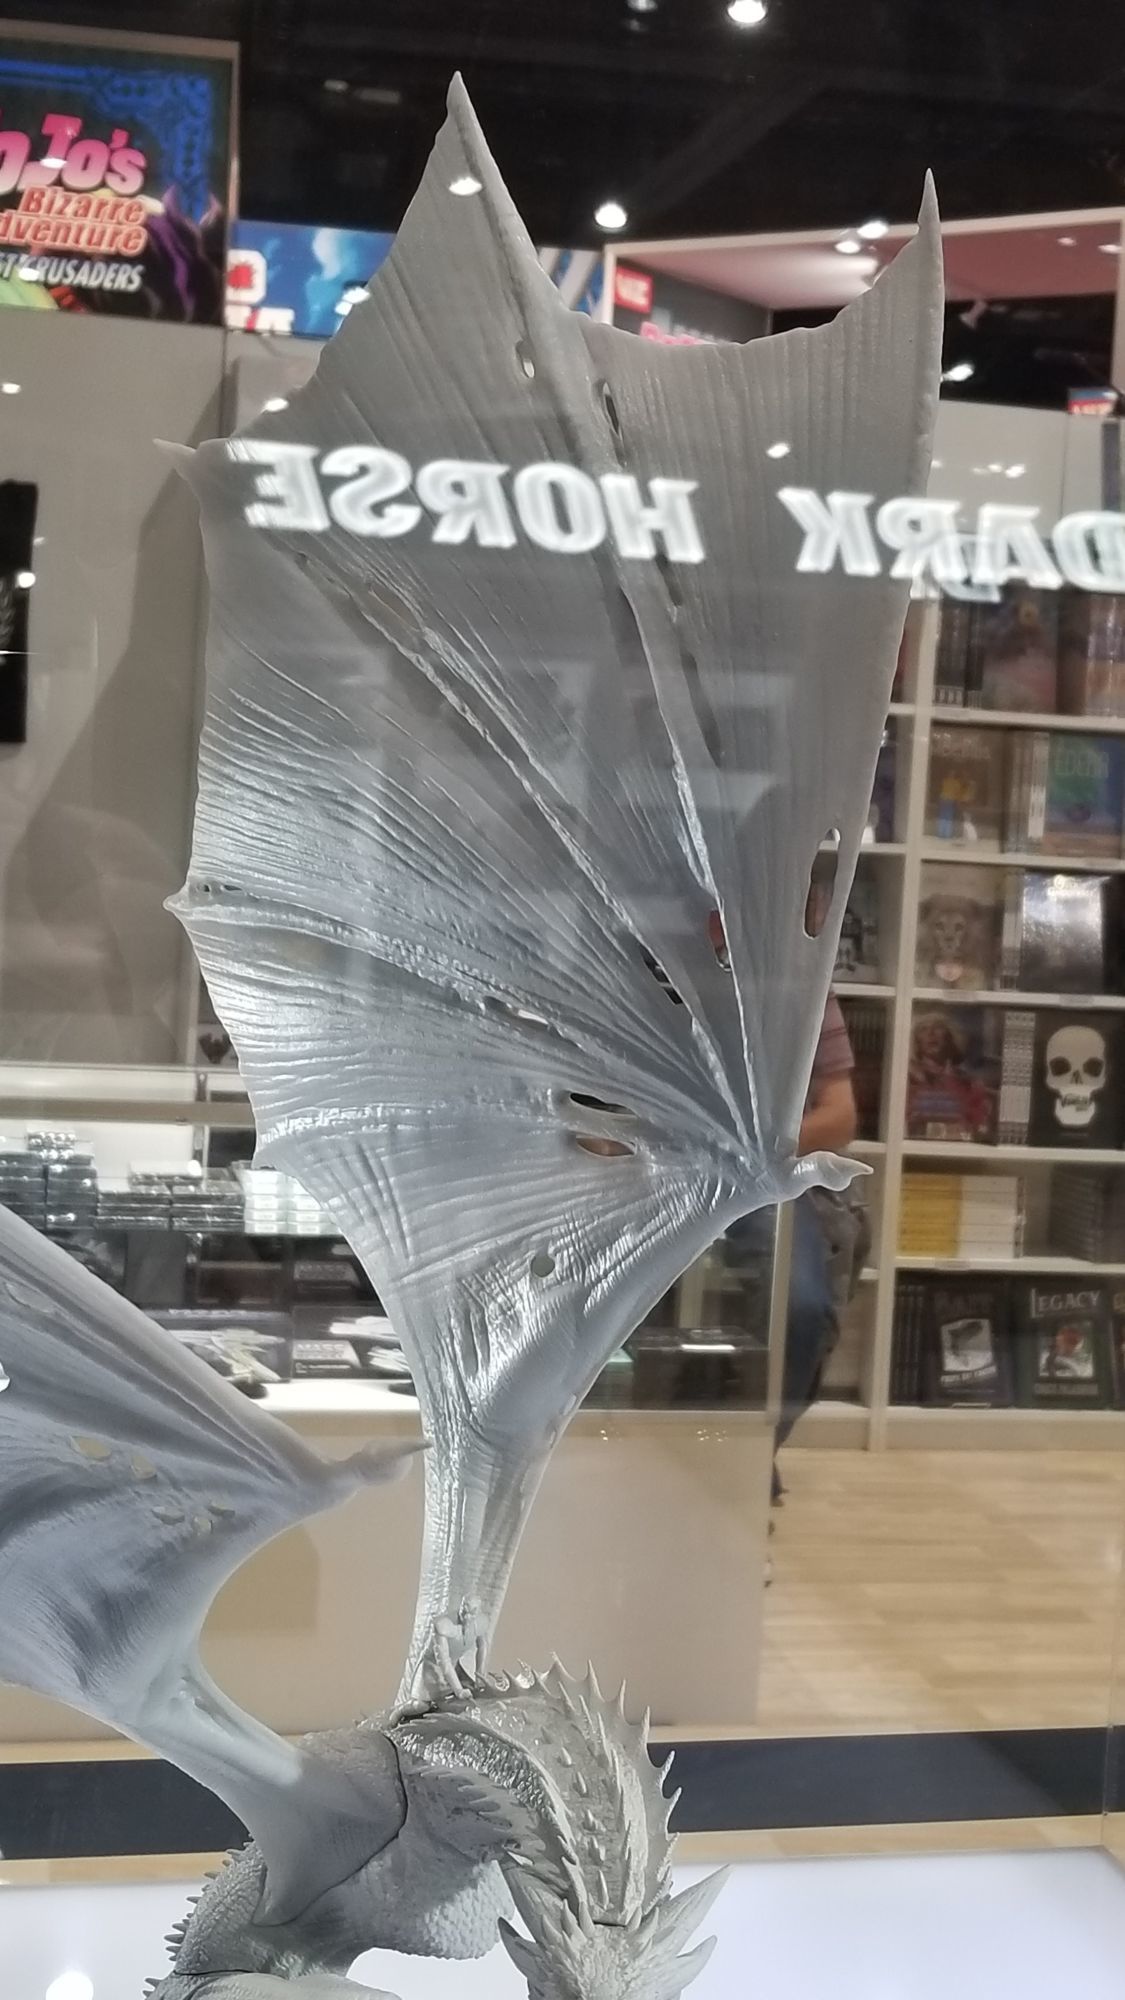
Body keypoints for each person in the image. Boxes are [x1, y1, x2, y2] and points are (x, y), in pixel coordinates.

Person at [724, 994, 859, 1495]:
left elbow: (840, 1116)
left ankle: (749, 1456)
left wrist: (746, 1147)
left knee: (801, 1308)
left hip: (762, 1176)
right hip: (645, 1169)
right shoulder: (639, 958)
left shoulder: (805, 980)